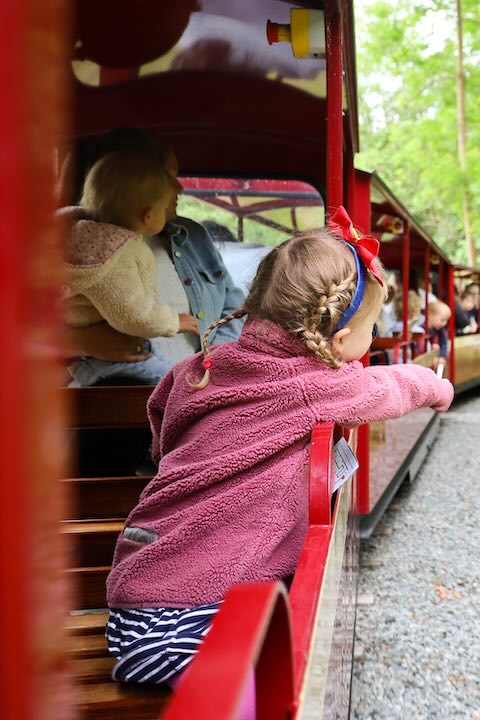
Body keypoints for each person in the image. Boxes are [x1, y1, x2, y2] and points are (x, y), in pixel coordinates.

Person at [104, 212, 454, 703]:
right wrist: (436, 386)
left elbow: (160, 424)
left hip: (134, 587)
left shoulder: (198, 367)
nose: (372, 339)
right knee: (235, 691)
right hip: (192, 611)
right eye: (371, 329)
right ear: (339, 342)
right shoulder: (317, 385)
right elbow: (391, 387)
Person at [65, 128, 246, 380]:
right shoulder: (78, 248)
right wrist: (79, 342)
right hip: (119, 390)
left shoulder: (193, 237)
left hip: (195, 389)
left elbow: (234, 306)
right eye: (168, 176)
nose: (179, 187)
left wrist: (213, 366)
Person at [64, 151, 201, 386]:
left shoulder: (80, 236)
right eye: (171, 176)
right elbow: (133, 314)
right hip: (107, 360)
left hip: (124, 353)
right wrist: (174, 321)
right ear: (147, 215)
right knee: (178, 389)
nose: (179, 188)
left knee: (179, 383)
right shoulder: (115, 255)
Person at [426, 300, 452, 375]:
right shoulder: (422, 330)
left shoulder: (441, 331)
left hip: (436, 360)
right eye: (442, 320)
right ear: (430, 316)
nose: (444, 323)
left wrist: (442, 356)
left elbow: (444, 344)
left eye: (446, 321)